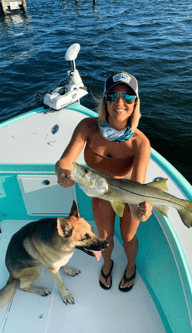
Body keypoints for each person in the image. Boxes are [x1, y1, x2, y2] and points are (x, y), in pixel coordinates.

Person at [55, 71, 152, 292]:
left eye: (128, 97)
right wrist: (62, 173)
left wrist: (142, 207)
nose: (120, 102)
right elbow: (65, 160)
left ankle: (130, 267)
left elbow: (138, 184)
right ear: (104, 100)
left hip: (127, 192)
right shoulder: (87, 127)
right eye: (112, 96)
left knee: (128, 236)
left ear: (135, 103)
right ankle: (107, 264)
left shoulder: (140, 142)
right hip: (100, 191)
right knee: (104, 236)